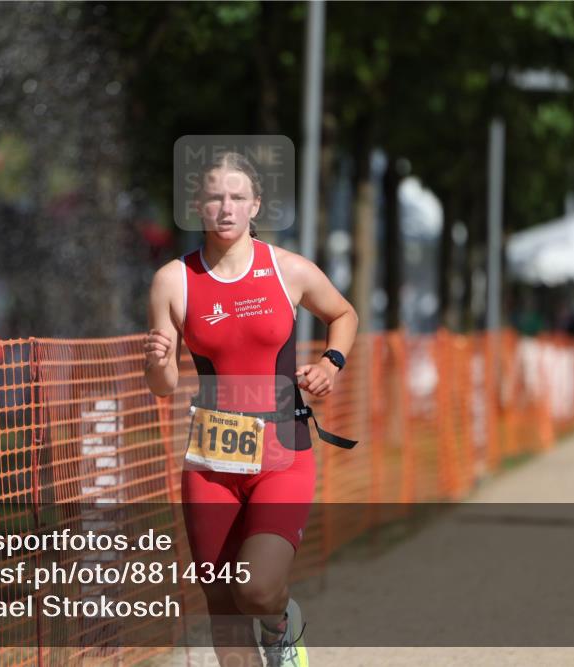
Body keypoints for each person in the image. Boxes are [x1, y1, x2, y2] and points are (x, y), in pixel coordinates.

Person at [144, 151, 358, 667]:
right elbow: (163, 384)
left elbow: (343, 313)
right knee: (222, 603)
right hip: (211, 461)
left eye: (237, 197)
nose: (226, 207)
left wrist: (330, 363)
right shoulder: (173, 280)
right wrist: (157, 361)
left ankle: (284, 624)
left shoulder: (288, 270)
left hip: (282, 451)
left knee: (258, 589)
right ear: (198, 205)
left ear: (255, 205)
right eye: (215, 196)